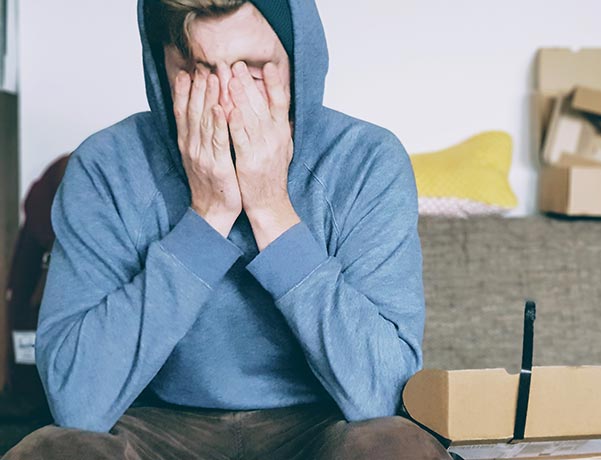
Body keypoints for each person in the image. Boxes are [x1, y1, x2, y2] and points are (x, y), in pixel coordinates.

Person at [3, 0, 451, 458]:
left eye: (254, 69)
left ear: (299, 61)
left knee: (396, 447)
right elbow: (77, 403)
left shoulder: (368, 160)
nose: (225, 99)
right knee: (50, 451)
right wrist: (208, 217)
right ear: (160, 67)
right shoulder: (104, 166)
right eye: (197, 70)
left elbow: (383, 395)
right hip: (155, 425)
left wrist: (272, 209)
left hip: (322, 423)